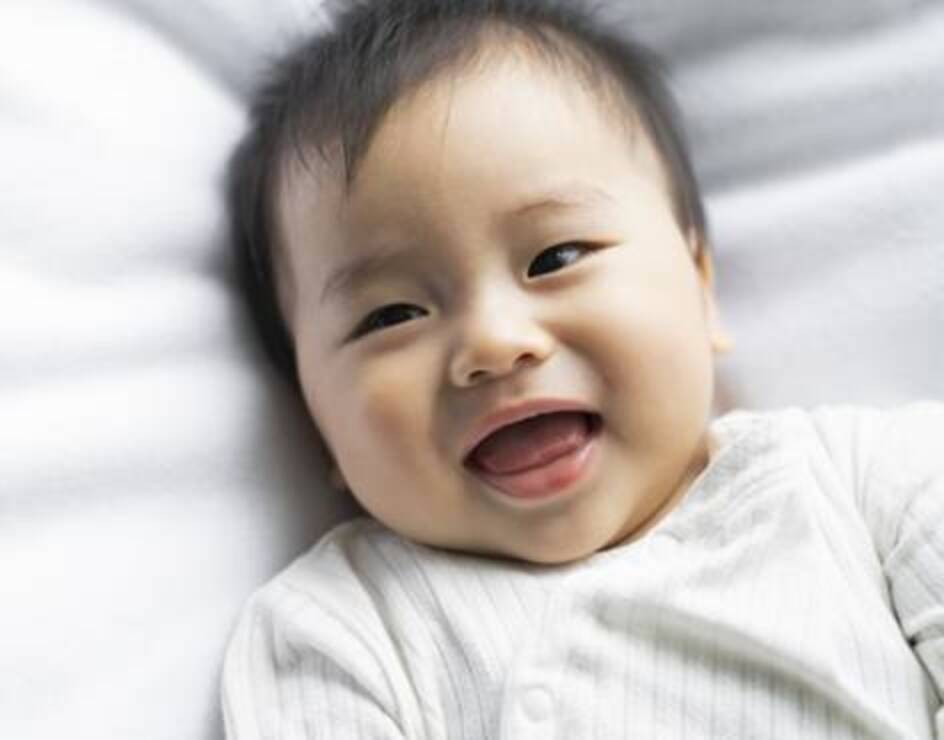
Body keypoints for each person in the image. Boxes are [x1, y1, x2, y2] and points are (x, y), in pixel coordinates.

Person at [220, 0, 944, 736]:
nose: (495, 343)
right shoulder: (339, 633)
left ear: (701, 289)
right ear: (315, 420)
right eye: (393, 314)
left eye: (556, 257)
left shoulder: (862, 482)